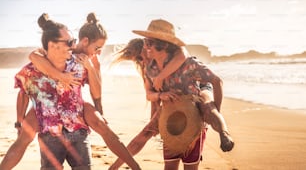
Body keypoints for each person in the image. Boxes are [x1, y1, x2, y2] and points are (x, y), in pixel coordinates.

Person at [0, 13, 141, 170]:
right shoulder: (41, 63)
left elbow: (97, 91)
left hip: (74, 110)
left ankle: (135, 167)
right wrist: (19, 121)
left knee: (102, 128)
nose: (73, 45)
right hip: (47, 111)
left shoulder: (84, 62)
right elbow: (26, 86)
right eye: (69, 42)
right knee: (24, 138)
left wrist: (99, 110)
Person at [131, 19, 234, 170]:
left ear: (163, 45)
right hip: (171, 122)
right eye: (145, 42)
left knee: (190, 167)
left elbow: (217, 81)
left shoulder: (188, 64)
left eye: (149, 42)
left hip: (192, 122)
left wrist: (213, 113)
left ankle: (223, 132)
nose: (145, 46)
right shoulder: (151, 69)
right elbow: (152, 96)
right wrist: (157, 122)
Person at [109, 38, 187, 169]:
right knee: (145, 135)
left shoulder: (169, 58)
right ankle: (114, 167)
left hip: (186, 103)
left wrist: (161, 77)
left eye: (140, 57)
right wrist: (154, 118)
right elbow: (151, 94)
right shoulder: (147, 69)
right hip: (168, 107)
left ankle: (114, 167)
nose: (141, 61)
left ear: (146, 49)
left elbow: (183, 54)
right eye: (137, 60)